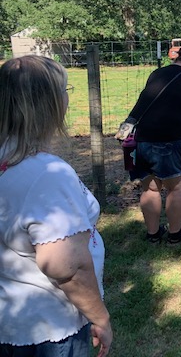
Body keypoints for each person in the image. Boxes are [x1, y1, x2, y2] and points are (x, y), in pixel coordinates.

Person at [0, 56, 112, 357]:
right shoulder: (46, 174)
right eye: (65, 89)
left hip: (11, 318)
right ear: (49, 103)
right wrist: (99, 316)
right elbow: (67, 267)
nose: (67, 97)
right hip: (49, 328)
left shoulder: (7, 156)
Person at [124, 46, 181, 244]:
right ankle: (175, 235)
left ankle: (152, 235)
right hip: (173, 139)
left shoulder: (156, 74)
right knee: (175, 189)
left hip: (143, 138)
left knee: (150, 189)